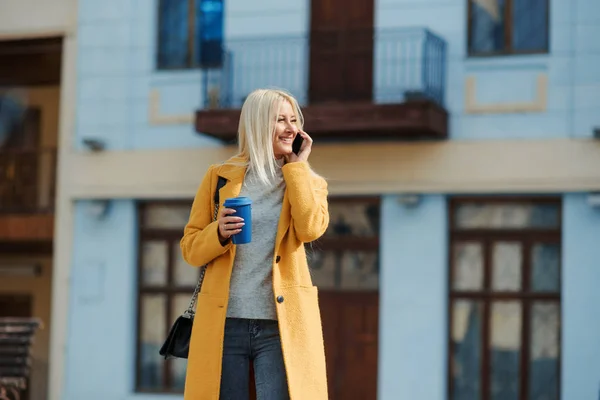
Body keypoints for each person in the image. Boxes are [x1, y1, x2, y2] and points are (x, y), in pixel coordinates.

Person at [180, 88, 330, 400]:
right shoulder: (219, 178)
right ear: (259, 124)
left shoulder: (308, 182)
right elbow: (191, 249)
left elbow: (311, 229)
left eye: (294, 120)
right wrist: (218, 233)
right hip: (225, 323)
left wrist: (298, 168)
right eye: (280, 120)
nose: (291, 128)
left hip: (280, 324)